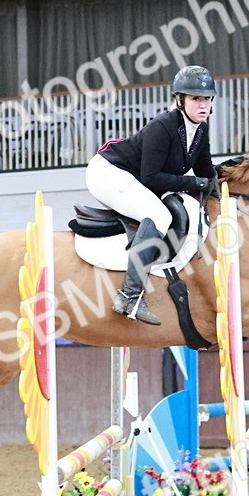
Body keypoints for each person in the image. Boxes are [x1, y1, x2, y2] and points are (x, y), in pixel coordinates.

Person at [86, 65, 218, 326]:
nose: (203, 105)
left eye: (206, 98)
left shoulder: (200, 131)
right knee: (158, 214)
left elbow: (206, 171)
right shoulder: (164, 126)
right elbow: (151, 178)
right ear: (180, 100)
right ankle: (129, 295)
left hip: (133, 178)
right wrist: (197, 181)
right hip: (108, 173)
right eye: (195, 99)